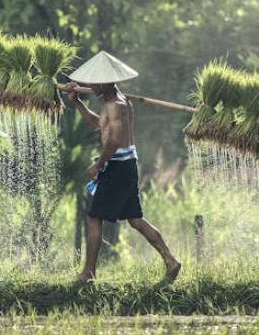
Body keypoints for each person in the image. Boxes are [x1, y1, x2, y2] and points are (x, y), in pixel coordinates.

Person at [63, 51, 181, 283]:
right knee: (135, 219)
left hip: (117, 167)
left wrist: (99, 164)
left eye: (93, 81)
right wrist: (76, 102)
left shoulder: (115, 105)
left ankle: (88, 272)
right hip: (127, 164)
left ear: (103, 82)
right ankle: (170, 260)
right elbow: (100, 124)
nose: (90, 85)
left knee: (94, 218)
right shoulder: (119, 102)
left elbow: (114, 141)